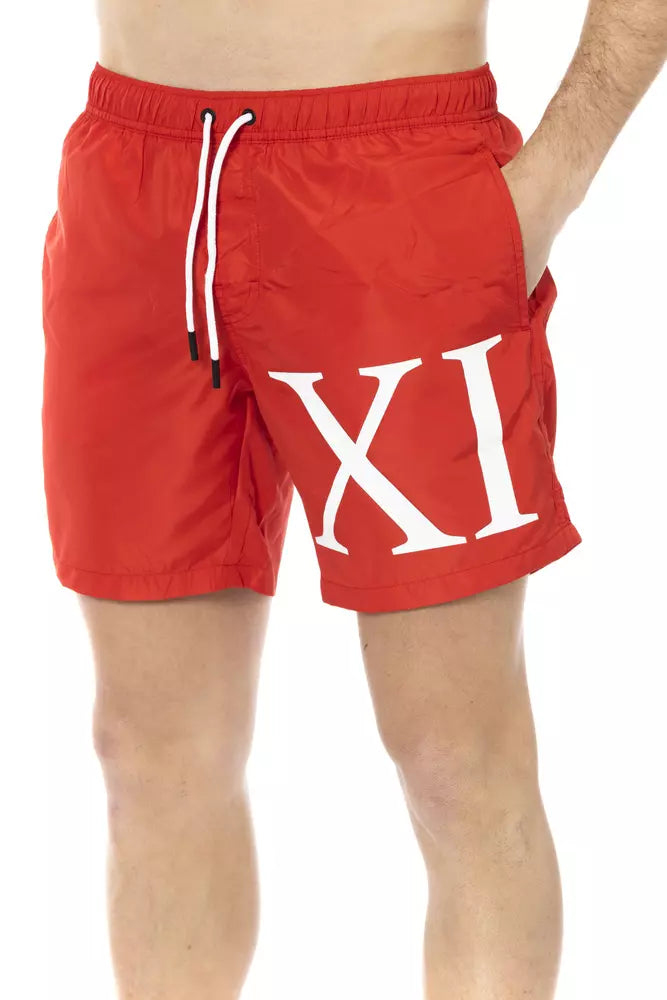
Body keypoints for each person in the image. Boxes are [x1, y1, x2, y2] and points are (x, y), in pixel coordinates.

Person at [41, 2, 666, 998]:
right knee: (148, 757)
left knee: (451, 753)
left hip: (397, 176)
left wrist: (550, 184)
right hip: (137, 185)